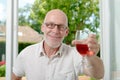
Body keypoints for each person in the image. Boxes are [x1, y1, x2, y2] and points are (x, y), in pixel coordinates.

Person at [12, 9, 104, 80]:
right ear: (43, 28)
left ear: (66, 32)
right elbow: (15, 76)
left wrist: (90, 56)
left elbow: (99, 74)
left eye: (61, 27)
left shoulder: (74, 54)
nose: (55, 31)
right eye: (50, 25)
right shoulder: (26, 54)